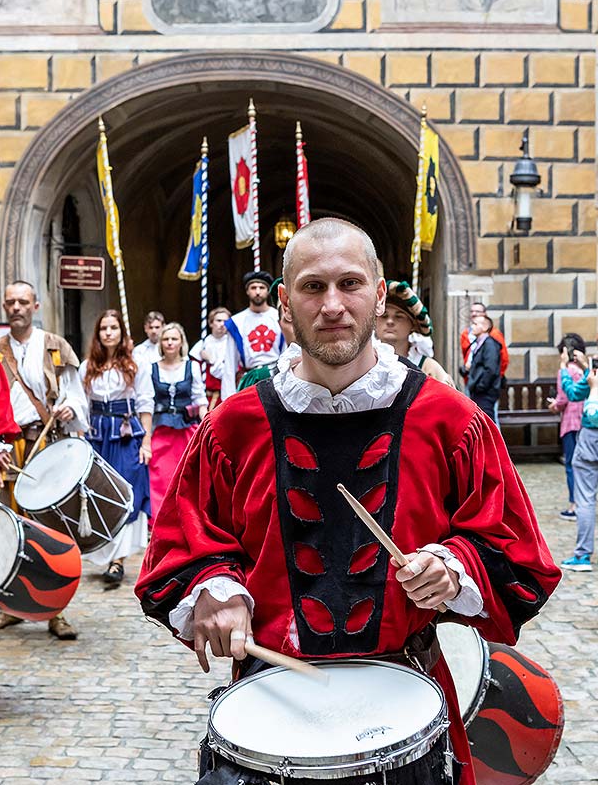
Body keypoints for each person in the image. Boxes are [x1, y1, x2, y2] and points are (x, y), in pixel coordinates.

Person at [136, 217, 560, 785]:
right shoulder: (232, 427)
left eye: (350, 284)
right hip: (267, 705)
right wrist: (212, 587)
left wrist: (455, 568)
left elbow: (520, 558)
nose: (332, 304)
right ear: (285, 303)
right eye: (313, 287)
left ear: (379, 296)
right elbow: (178, 549)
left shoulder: (450, 421)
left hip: (410, 708)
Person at [0, 280, 88, 639]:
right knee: (9, 527)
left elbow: (77, 396)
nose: (16, 307)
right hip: (8, 449)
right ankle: (11, 606)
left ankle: (56, 610)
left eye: (23, 301)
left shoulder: (55, 347)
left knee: (52, 529)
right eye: (10, 302)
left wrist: (70, 409)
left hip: (48, 442)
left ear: (36, 306)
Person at [80, 309, 153, 588]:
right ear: (98, 334)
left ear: (122, 332)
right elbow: (82, 405)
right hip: (97, 436)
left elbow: (145, 404)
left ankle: (119, 559)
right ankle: (104, 552)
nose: (108, 332)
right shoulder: (88, 366)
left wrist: (146, 442)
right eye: (103, 328)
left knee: (127, 493)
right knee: (100, 494)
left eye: (113, 328)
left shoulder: (137, 365)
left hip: (126, 436)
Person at [149, 322, 208, 522]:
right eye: (166, 339)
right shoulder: (152, 369)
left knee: (187, 475)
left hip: (186, 429)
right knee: (160, 477)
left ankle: (186, 518)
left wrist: (207, 425)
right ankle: (161, 520)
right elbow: (147, 401)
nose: (170, 343)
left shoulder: (193, 367)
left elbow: (199, 399)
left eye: (174, 339)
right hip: (162, 429)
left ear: (181, 341)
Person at [558, 344, 598, 571]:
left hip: (591, 438)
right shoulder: (591, 372)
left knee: (585, 499)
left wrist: (564, 368)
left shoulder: (594, 379)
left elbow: (590, 412)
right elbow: (574, 394)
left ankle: (582, 556)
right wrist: (585, 368)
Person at [376, 280, 455, 387]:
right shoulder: (361, 366)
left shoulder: (430, 369)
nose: (390, 321)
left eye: (399, 316)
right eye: (384, 316)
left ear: (413, 325)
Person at [220, 271, 283, 401]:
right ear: (247, 291)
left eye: (262, 287)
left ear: (268, 291)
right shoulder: (237, 322)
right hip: (250, 378)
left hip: (276, 377)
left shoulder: (279, 317)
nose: (258, 292)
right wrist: (228, 398)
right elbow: (230, 363)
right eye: (253, 288)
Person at [547, 333, 585, 521]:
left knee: (571, 465)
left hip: (571, 422)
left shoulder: (565, 371)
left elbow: (563, 399)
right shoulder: (584, 370)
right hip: (585, 423)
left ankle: (574, 504)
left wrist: (554, 405)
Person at [461, 314, 501, 423]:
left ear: (484, 328)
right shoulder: (479, 344)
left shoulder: (490, 344)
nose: (472, 327)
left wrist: (480, 386)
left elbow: (491, 369)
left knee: (487, 423)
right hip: (479, 391)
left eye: (475, 324)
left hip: (485, 393)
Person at [189, 307, 231, 411]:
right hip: (205, 398)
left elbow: (226, 374)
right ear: (211, 323)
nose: (222, 324)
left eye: (225, 321)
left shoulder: (232, 345)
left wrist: (211, 360)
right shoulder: (202, 344)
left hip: (225, 396)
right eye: (218, 320)